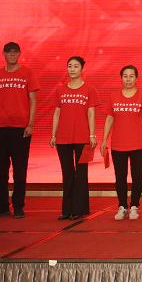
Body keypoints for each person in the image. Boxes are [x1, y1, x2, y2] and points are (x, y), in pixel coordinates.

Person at [0, 42, 38, 220]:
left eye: (15, 52)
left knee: (19, 170)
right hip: (0, 128)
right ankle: (2, 206)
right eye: (9, 52)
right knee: (0, 170)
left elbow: (33, 101)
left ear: (20, 54)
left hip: (20, 128)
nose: (12, 55)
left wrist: (30, 124)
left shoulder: (28, 73)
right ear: (3, 54)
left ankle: (18, 206)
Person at [50, 56, 100, 220]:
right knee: (67, 174)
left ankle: (79, 209)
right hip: (63, 138)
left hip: (83, 138)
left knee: (81, 173)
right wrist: (53, 135)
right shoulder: (60, 90)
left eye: (76, 66)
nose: (72, 69)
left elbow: (91, 114)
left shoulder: (89, 89)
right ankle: (67, 210)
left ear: (82, 69)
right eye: (70, 66)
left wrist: (92, 135)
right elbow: (57, 113)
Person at [100, 65, 142, 220]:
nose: (128, 79)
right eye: (125, 76)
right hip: (118, 144)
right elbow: (109, 119)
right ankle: (122, 206)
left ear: (136, 78)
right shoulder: (114, 97)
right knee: (120, 177)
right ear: (121, 78)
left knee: (137, 176)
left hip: (138, 144)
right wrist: (104, 140)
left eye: (131, 76)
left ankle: (134, 206)